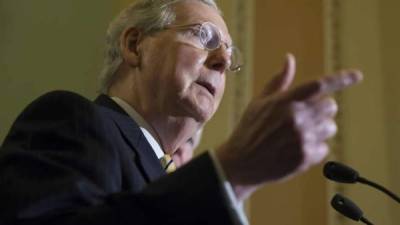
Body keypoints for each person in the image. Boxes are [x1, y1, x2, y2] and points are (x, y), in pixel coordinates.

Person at [0, 0, 363, 224]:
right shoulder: (71, 119)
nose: (223, 61)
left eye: (230, 54)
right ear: (134, 45)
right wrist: (230, 174)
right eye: (204, 37)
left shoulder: (176, 176)